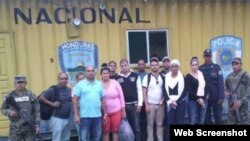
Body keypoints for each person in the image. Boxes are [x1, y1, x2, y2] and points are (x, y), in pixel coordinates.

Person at [1, 75, 40, 141]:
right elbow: (3, 109)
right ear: (14, 84)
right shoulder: (10, 96)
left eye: (22, 82)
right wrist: (9, 112)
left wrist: (37, 125)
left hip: (28, 128)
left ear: (25, 83)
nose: (20, 84)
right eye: (18, 83)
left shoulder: (31, 95)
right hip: (15, 128)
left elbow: (37, 111)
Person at [72, 65, 106, 141]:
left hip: (97, 116)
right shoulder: (80, 85)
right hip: (84, 117)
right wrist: (76, 115)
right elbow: (75, 100)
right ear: (86, 73)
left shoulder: (99, 84)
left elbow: (103, 99)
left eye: (92, 70)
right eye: (88, 71)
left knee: (97, 138)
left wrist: (105, 113)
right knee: (84, 138)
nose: (90, 72)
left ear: (95, 72)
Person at [39, 72, 72, 141]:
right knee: (57, 139)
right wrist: (52, 104)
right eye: (62, 79)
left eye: (65, 79)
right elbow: (41, 98)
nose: (64, 80)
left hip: (67, 118)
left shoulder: (69, 90)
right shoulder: (53, 89)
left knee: (66, 138)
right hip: (57, 119)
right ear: (58, 79)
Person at [116, 59, 143, 141]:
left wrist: (140, 104)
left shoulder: (135, 76)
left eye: (125, 65)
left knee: (137, 128)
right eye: (122, 66)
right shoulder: (118, 78)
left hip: (135, 105)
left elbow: (139, 90)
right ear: (120, 67)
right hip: (124, 107)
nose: (124, 67)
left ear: (128, 65)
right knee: (127, 129)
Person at [100, 63, 126, 141]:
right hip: (104, 113)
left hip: (116, 112)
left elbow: (121, 97)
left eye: (107, 73)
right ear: (101, 74)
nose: (105, 75)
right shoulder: (98, 84)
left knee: (115, 131)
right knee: (105, 132)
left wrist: (123, 110)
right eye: (103, 73)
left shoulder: (115, 83)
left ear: (109, 74)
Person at [199, 49, 224, 124]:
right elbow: (199, 84)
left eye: (209, 56)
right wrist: (200, 97)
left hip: (216, 97)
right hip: (205, 97)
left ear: (211, 56)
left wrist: (221, 97)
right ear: (203, 57)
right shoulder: (200, 69)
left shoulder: (217, 68)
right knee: (207, 118)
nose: (208, 57)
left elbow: (221, 83)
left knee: (218, 117)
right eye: (206, 56)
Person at [142, 57, 165, 141]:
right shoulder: (146, 77)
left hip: (160, 104)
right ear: (150, 67)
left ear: (158, 66)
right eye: (152, 65)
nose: (154, 66)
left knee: (160, 124)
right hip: (150, 104)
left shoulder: (163, 77)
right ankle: (150, 139)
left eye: (156, 65)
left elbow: (165, 90)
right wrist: (146, 105)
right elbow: (144, 92)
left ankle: (160, 139)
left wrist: (163, 99)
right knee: (150, 124)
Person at [164, 59, 187, 141]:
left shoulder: (182, 77)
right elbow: (164, 90)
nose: (174, 68)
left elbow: (184, 91)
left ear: (178, 67)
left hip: (180, 104)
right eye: (172, 66)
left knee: (180, 123)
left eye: (176, 66)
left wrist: (176, 102)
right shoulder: (166, 77)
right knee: (170, 124)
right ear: (170, 67)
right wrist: (170, 101)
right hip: (170, 104)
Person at [225, 58, 250, 125]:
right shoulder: (228, 77)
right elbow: (226, 89)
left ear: (241, 64)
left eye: (236, 64)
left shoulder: (246, 76)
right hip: (232, 105)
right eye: (233, 64)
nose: (234, 66)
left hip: (242, 106)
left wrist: (241, 101)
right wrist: (226, 92)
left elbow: (248, 91)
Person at [186, 57, 206, 124]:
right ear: (190, 66)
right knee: (192, 121)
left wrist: (202, 99)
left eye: (196, 65)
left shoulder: (202, 75)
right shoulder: (188, 76)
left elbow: (205, 88)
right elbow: (189, 90)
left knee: (201, 121)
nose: (194, 66)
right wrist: (198, 99)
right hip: (192, 101)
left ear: (198, 65)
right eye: (193, 65)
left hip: (202, 100)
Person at [136, 59, 148, 141]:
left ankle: (145, 137)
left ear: (145, 65)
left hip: (146, 101)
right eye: (139, 64)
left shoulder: (148, 75)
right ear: (137, 65)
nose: (141, 66)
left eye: (143, 64)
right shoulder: (135, 75)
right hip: (137, 102)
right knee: (137, 122)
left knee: (145, 121)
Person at [71, 72, 85, 140]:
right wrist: (77, 115)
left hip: (87, 114)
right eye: (80, 79)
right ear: (77, 80)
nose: (82, 80)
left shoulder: (88, 87)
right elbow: (74, 102)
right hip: (79, 114)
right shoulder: (75, 89)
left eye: (83, 78)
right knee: (81, 134)